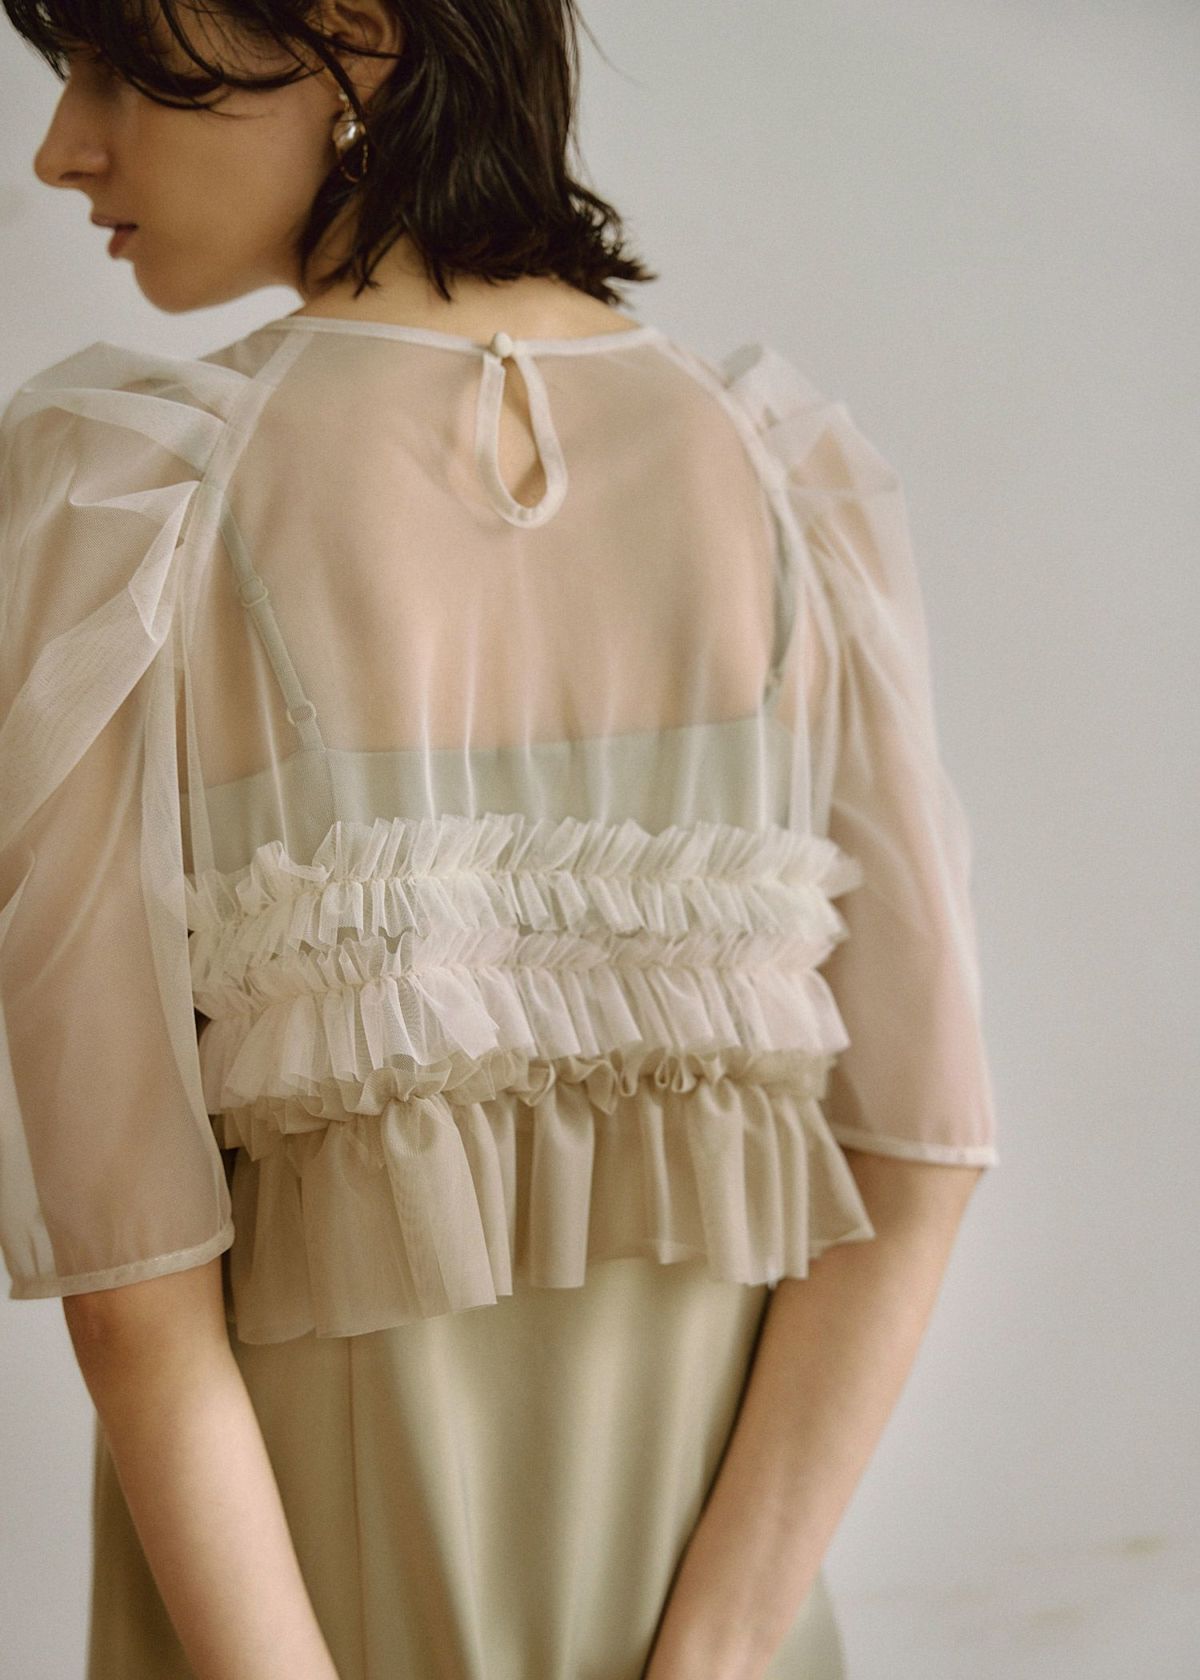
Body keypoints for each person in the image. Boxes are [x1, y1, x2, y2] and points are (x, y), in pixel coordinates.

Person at [0, 2, 999, 1677]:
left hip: (298, 1613)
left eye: (119, 65)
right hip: (720, 1621)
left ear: (355, 33)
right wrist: (718, 1651)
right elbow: (921, 1151)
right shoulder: (779, 480)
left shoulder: (135, 506)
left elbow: (132, 1282)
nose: (62, 149)